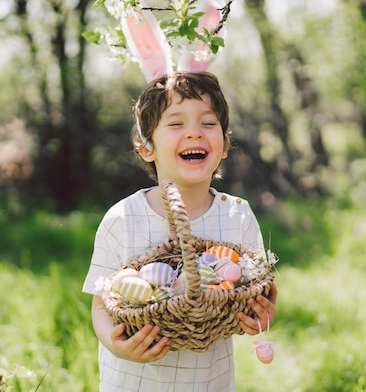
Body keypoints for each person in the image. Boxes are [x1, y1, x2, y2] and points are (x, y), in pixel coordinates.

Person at [82, 71, 278, 392]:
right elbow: (101, 305)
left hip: (209, 383)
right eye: (175, 124)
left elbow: (254, 288)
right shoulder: (123, 218)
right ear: (147, 148)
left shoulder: (236, 214)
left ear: (225, 144)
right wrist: (116, 345)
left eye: (208, 123)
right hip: (135, 382)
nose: (194, 133)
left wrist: (260, 316)